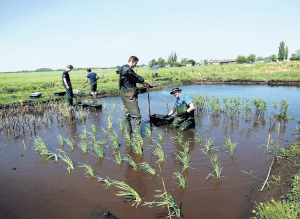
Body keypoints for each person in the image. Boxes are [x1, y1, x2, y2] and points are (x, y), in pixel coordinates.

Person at [116, 56, 153, 137]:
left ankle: (128, 135)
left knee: (127, 114)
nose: (135, 65)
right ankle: (138, 139)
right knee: (137, 117)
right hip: (129, 93)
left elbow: (121, 73)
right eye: (135, 63)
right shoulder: (127, 69)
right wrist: (148, 83)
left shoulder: (122, 68)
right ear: (132, 61)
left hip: (124, 93)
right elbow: (137, 77)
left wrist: (142, 83)